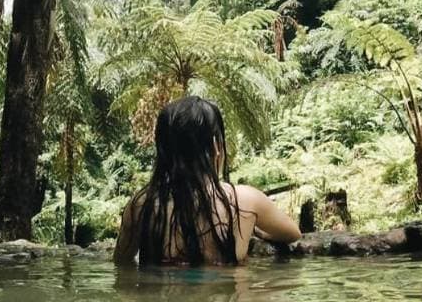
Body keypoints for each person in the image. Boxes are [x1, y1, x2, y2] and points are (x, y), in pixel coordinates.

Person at [114, 96, 300, 265]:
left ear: (163, 150)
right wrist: (255, 230)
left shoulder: (141, 204)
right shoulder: (245, 201)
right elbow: (292, 233)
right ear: (216, 146)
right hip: (226, 301)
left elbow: (122, 263)